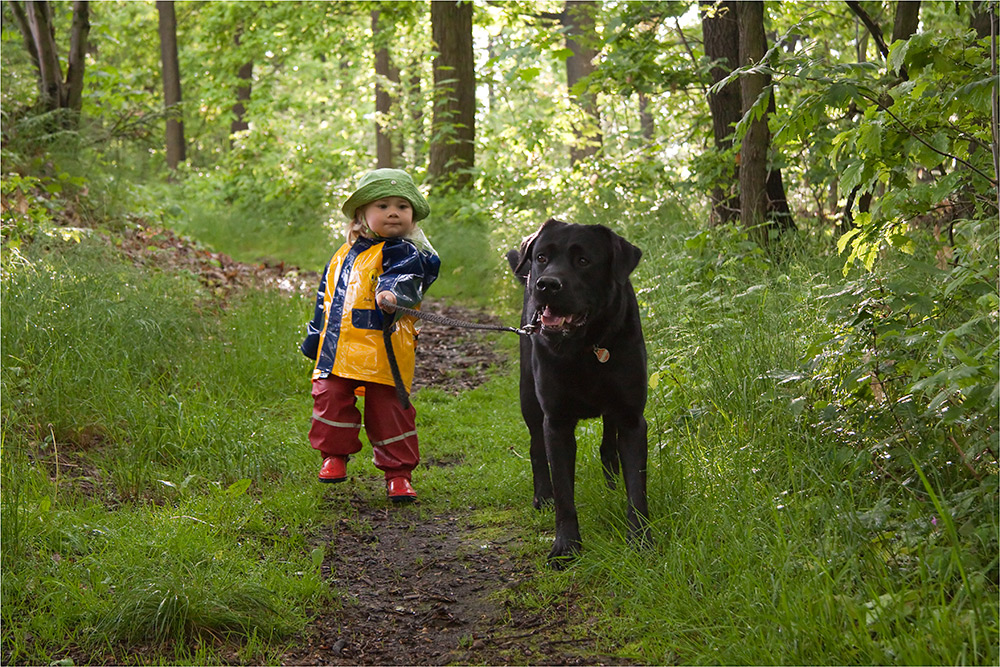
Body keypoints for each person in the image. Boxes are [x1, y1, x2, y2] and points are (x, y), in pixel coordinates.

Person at [301, 169, 440, 503]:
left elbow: (404, 277)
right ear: (362, 215)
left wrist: (392, 294)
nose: (394, 212)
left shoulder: (403, 252)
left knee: (390, 410)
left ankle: (398, 474)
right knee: (330, 398)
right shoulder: (341, 256)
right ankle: (333, 455)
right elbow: (326, 299)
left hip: (384, 348)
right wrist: (315, 338)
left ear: (412, 217)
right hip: (338, 348)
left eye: (402, 207)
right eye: (383, 205)